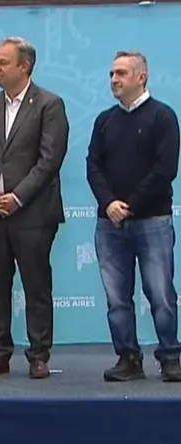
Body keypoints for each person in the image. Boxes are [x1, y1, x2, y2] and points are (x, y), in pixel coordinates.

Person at [0, 37, 69, 379]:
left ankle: (38, 354)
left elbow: (49, 160)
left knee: (36, 286)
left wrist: (18, 197)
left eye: (3, 63)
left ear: (25, 66)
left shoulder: (49, 105)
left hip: (33, 214)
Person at [86, 51, 181, 383]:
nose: (114, 79)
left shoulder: (163, 117)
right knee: (117, 299)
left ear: (142, 77)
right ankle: (128, 358)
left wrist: (129, 205)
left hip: (152, 221)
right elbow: (93, 167)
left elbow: (165, 170)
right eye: (112, 74)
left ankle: (170, 357)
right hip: (109, 224)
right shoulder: (105, 121)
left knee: (161, 295)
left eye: (121, 73)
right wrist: (109, 203)